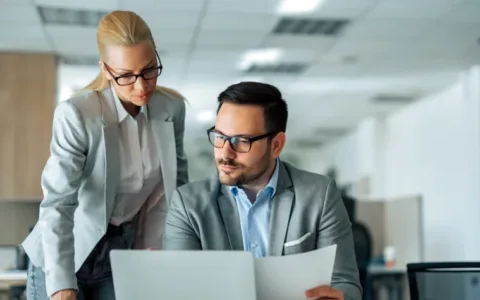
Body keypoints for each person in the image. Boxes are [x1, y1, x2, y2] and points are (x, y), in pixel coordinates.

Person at [22, 10, 189, 300]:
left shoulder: (171, 109)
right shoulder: (77, 115)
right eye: (125, 75)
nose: (141, 86)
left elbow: (177, 191)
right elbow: (58, 203)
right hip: (65, 253)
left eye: (149, 69)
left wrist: (167, 253)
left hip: (122, 254)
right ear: (105, 69)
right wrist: (61, 285)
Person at [163, 81, 362, 300]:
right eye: (220, 137)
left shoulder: (319, 195)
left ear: (276, 145)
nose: (225, 154)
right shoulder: (188, 204)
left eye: (241, 141)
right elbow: (180, 291)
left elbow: (346, 284)